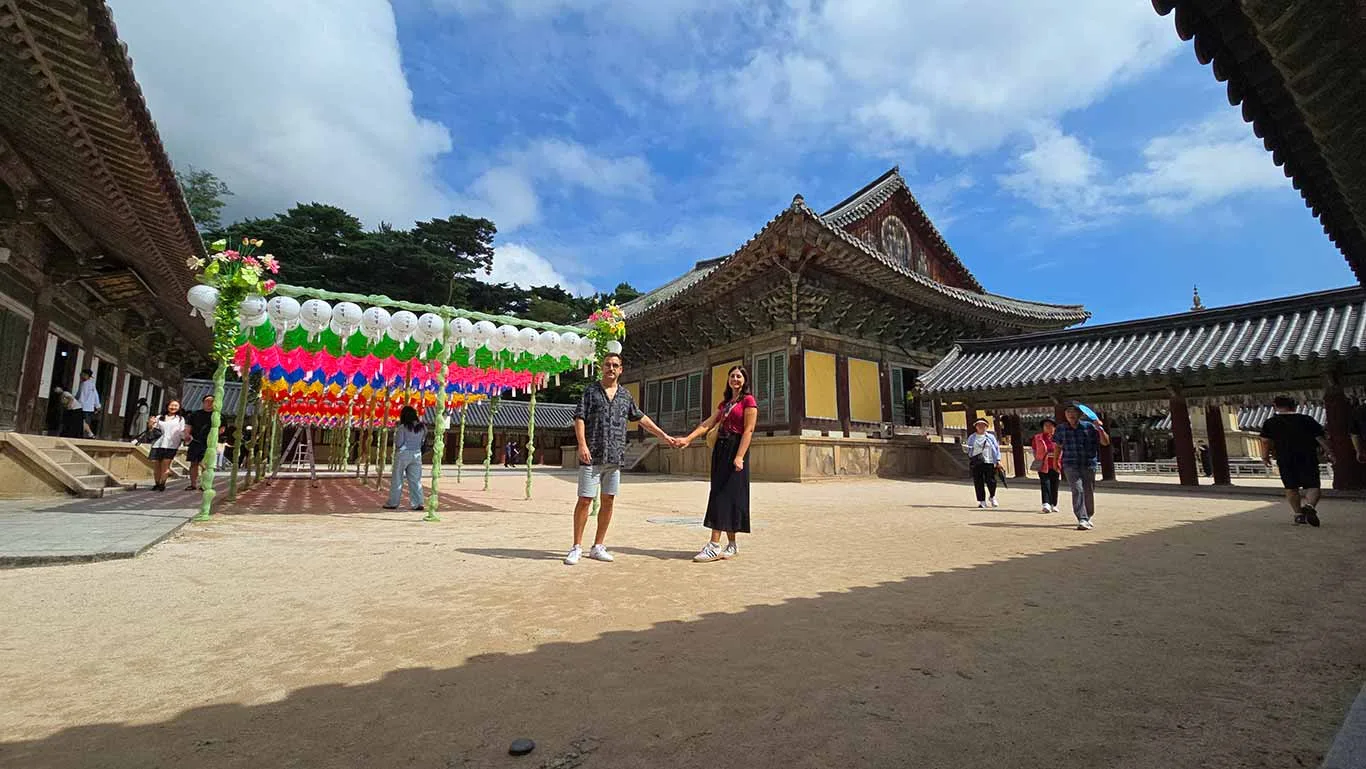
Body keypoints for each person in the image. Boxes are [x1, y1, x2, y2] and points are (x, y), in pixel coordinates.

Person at [564, 352, 677, 566]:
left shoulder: (625, 396)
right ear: (601, 367)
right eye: (607, 365)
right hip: (592, 454)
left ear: (621, 369)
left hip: (615, 456)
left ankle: (598, 545)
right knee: (585, 499)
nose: (611, 368)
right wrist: (582, 444)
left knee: (608, 500)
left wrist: (663, 435)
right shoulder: (590, 392)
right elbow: (579, 418)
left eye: (615, 365)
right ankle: (576, 546)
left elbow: (641, 418)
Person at [679, 365, 758, 562]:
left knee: (724, 495)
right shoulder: (725, 404)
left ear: (745, 380)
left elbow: (748, 431)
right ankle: (731, 544)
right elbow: (708, 424)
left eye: (739, 376)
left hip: (735, 448)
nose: (735, 379)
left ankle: (714, 545)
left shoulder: (749, 401)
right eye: (732, 376)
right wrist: (688, 439)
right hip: (721, 449)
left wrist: (739, 456)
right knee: (722, 493)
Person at [1259, 396, 1332, 527]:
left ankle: (1298, 515)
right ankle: (1309, 506)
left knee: (1291, 487)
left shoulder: (1270, 422)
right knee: (1313, 485)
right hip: (1307, 456)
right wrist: (1330, 452)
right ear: (1294, 406)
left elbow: (1265, 441)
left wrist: (1265, 457)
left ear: (1275, 406)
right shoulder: (1307, 420)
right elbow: (1320, 438)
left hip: (1285, 458)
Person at [1055, 403, 1110, 530]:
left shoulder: (1089, 427)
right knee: (1077, 489)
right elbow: (1058, 445)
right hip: (1070, 463)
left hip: (1088, 463)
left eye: (1073, 412)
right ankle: (1082, 518)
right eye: (1068, 412)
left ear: (1080, 414)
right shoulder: (1061, 428)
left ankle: (1088, 515)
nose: (1071, 414)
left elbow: (1105, 442)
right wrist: (1056, 461)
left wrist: (1100, 429)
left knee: (1088, 490)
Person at [384, 405, 427, 511]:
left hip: (403, 454)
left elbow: (399, 443)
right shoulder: (423, 427)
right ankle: (418, 503)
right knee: (415, 480)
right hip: (417, 454)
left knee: (397, 479)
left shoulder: (402, 428)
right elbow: (423, 442)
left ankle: (393, 502)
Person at [147, 400, 188, 492]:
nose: (173, 407)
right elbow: (152, 429)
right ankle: (156, 483)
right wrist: (150, 423)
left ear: (179, 408)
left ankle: (162, 484)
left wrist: (186, 438)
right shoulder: (159, 417)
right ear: (167, 406)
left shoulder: (180, 419)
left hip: (171, 445)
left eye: (176, 406)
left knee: (165, 465)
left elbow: (182, 432)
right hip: (157, 444)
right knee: (157, 465)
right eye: (171, 405)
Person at [963, 418, 1002, 508]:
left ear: (986, 427)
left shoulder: (990, 437)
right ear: (976, 427)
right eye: (979, 425)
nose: (981, 427)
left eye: (983, 425)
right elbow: (968, 449)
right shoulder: (972, 437)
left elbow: (996, 449)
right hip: (977, 462)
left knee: (991, 481)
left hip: (989, 461)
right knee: (978, 481)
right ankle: (982, 501)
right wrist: (966, 449)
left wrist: (998, 460)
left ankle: (992, 496)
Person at [182, 395, 215, 490]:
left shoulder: (217, 415)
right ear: (203, 402)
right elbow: (188, 426)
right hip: (195, 441)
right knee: (193, 463)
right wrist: (187, 435)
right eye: (207, 401)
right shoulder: (194, 414)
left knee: (205, 464)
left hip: (209, 443)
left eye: (211, 401)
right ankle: (193, 484)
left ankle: (205, 484)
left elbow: (222, 429)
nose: (209, 403)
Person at [1031, 418, 1062, 513]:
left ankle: (1054, 504)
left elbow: (1062, 449)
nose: (1048, 427)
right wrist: (1039, 458)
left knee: (1054, 484)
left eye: (1050, 425)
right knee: (1045, 483)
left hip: (1055, 463)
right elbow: (1034, 449)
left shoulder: (1058, 437)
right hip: (1043, 464)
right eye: (1046, 425)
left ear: (1054, 427)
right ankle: (1046, 504)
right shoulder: (1037, 438)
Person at [76, 368, 100, 438]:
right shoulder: (91, 384)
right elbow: (96, 395)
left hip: (83, 407)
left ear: (86, 375)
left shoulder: (84, 384)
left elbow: (81, 396)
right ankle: (88, 436)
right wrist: (97, 405)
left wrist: (77, 404)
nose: (80, 375)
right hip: (90, 408)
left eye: (82, 374)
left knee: (83, 423)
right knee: (87, 423)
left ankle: (86, 435)